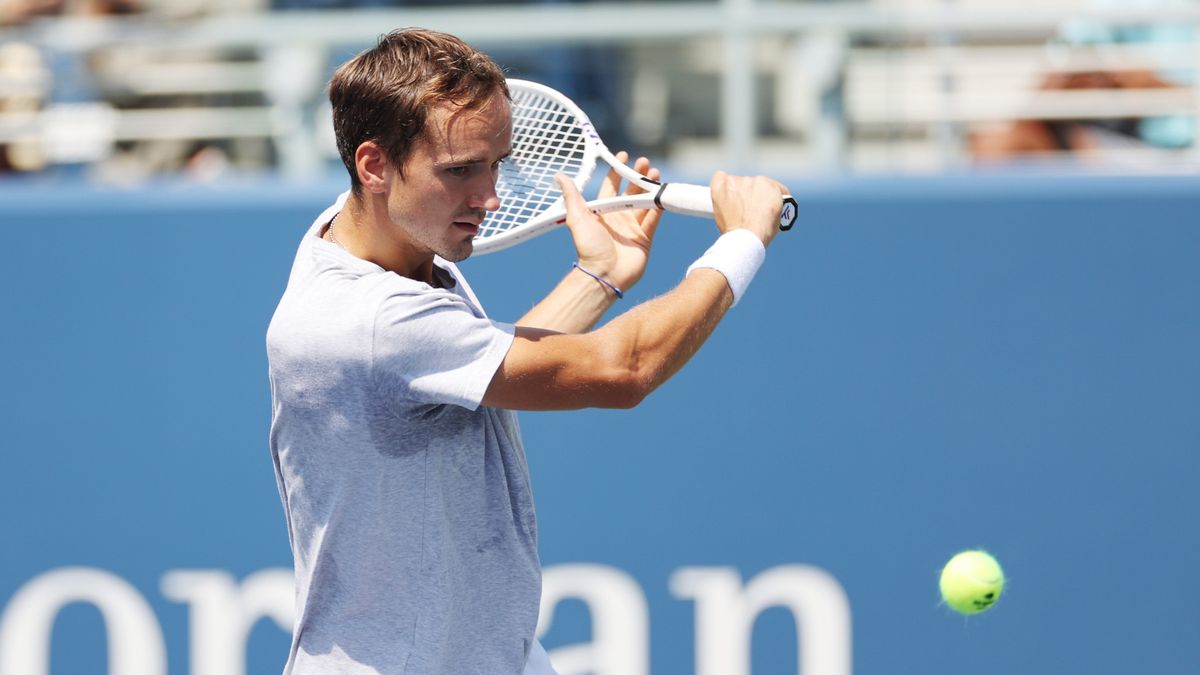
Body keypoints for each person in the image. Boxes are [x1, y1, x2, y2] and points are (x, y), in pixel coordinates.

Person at [265, 27, 788, 675]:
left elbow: (485, 366)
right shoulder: (371, 317)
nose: (490, 196)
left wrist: (601, 276)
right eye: (460, 170)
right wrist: (741, 244)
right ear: (373, 165)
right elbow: (622, 371)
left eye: (496, 162)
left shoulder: (370, 237)